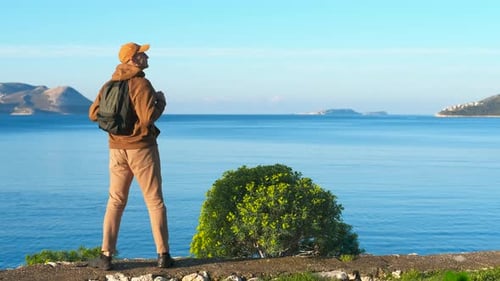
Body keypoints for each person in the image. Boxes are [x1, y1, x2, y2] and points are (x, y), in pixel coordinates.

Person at [88, 42, 173, 270]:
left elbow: (93, 113)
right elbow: (147, 119)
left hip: (116, 150)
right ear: (133, 60)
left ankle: (106, 256)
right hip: (142, 149)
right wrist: (160, 101)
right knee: (155, 201)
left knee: (115, 201)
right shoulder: (141, 83)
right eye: (142, 54)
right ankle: (163, 255)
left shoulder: (109, 84)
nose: (146, 56)